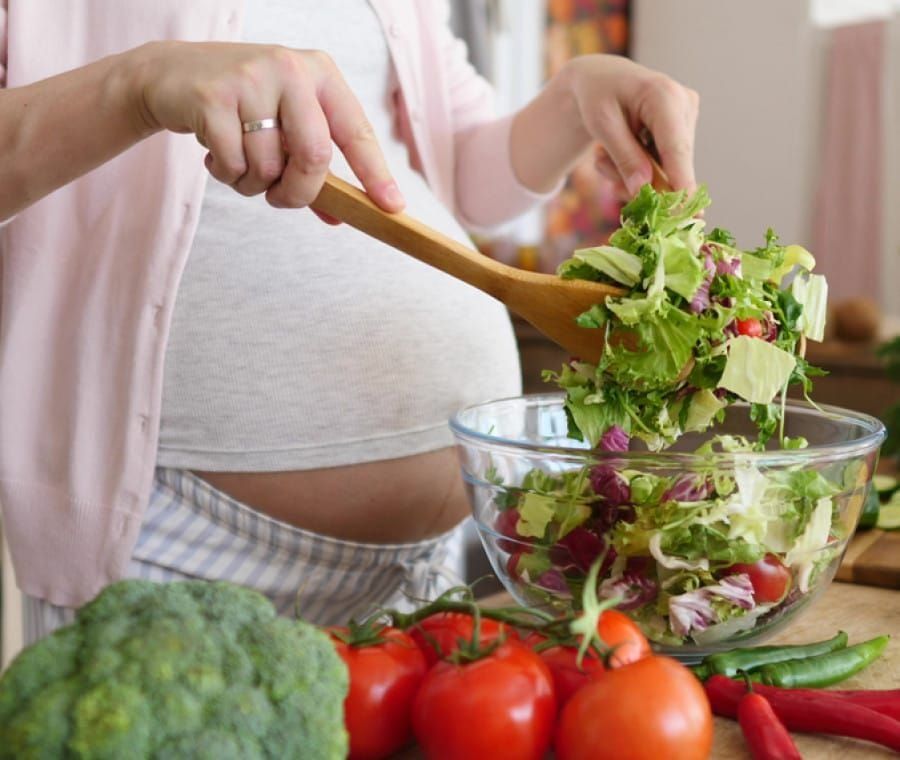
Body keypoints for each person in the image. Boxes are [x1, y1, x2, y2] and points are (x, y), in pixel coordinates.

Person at [0, 0, 699, 643]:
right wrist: (139, 83)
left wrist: (577, 94)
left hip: (426, 576)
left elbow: (461, 176)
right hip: (172, 549)